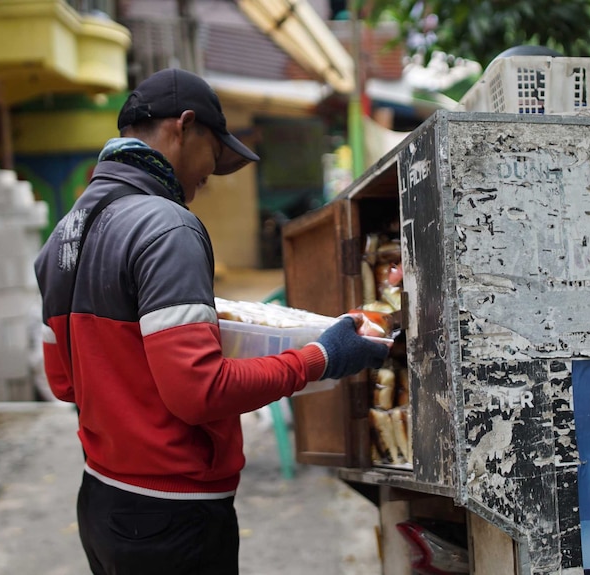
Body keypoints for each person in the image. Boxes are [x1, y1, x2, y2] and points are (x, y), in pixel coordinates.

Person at [33, 68, 389, 575]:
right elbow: (198, 391)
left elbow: (65, 382)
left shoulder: (62, 236)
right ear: (183, 125)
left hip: (102, 505)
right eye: (214, 157)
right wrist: (323, 357)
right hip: (173, 519)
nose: (206, 181)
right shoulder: (166, 225)